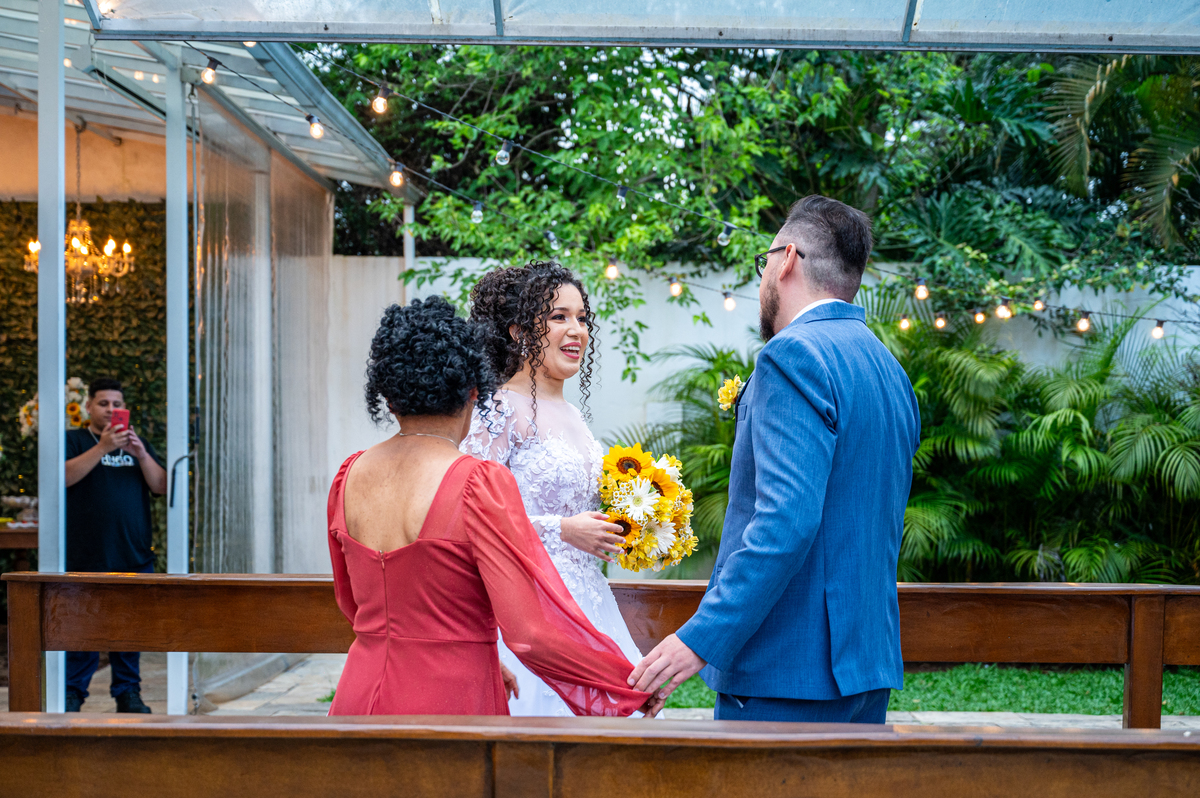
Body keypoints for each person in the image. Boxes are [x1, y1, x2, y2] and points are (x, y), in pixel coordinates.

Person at [630, 195, 921, 722]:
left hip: (784, 670)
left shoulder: (793, 356)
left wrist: (699, 638)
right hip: (864, 668)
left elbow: (785, 522)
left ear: (786, 259)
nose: (762, 274)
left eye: (764, 260)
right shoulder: (888, 369)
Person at [326, 296, 652, 716]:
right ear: (473, 393)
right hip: (449, 696)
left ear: (388, 398)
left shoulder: (348, 474)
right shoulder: (476, 481)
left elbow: (350, 603)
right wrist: (626, 684)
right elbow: (531, 636)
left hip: (360, 690)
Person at [460, 262, 644, 716]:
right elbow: (467, 512)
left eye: (582, 318)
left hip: (590, 603)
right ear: (520, 331)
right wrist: (561, 529)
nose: (576, 329)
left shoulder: (575, 416)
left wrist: (631, 520)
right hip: (531, 609)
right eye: (559, 317)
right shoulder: (498, 409)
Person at [63, 376, 167, 713]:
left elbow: (162, 486)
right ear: (89, 406)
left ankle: (128, 693)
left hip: (132, 554)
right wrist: (103, 447)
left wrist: (139, 454)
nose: (111, 409)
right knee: (82, 629)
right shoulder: (74, 440)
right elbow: (61, 478)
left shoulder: (138, 444)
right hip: (86, 552)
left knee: (129, 629)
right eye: (104, 403)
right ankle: (72, 693)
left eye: (117, 403)